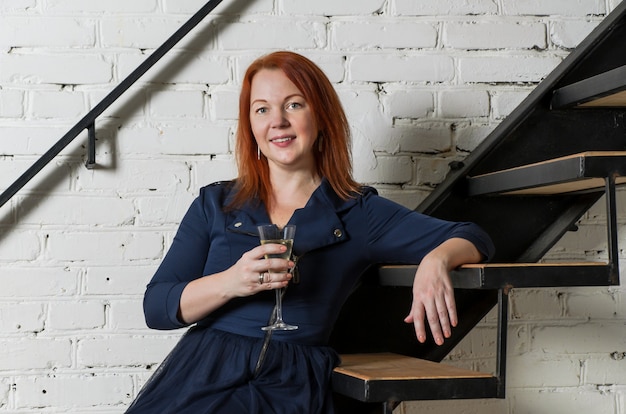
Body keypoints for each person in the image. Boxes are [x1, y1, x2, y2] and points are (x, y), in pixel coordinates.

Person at [125, 50, 495, 413]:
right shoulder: (215, 204)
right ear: (251, 126)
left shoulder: (357, 211)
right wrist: (231, 282)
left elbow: (473, 235)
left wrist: (437, 259)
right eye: (262, 109)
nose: (278, 121)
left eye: (294, 104)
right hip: (203, 371)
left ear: (321, 115)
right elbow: (156, 308)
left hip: (288, 382)